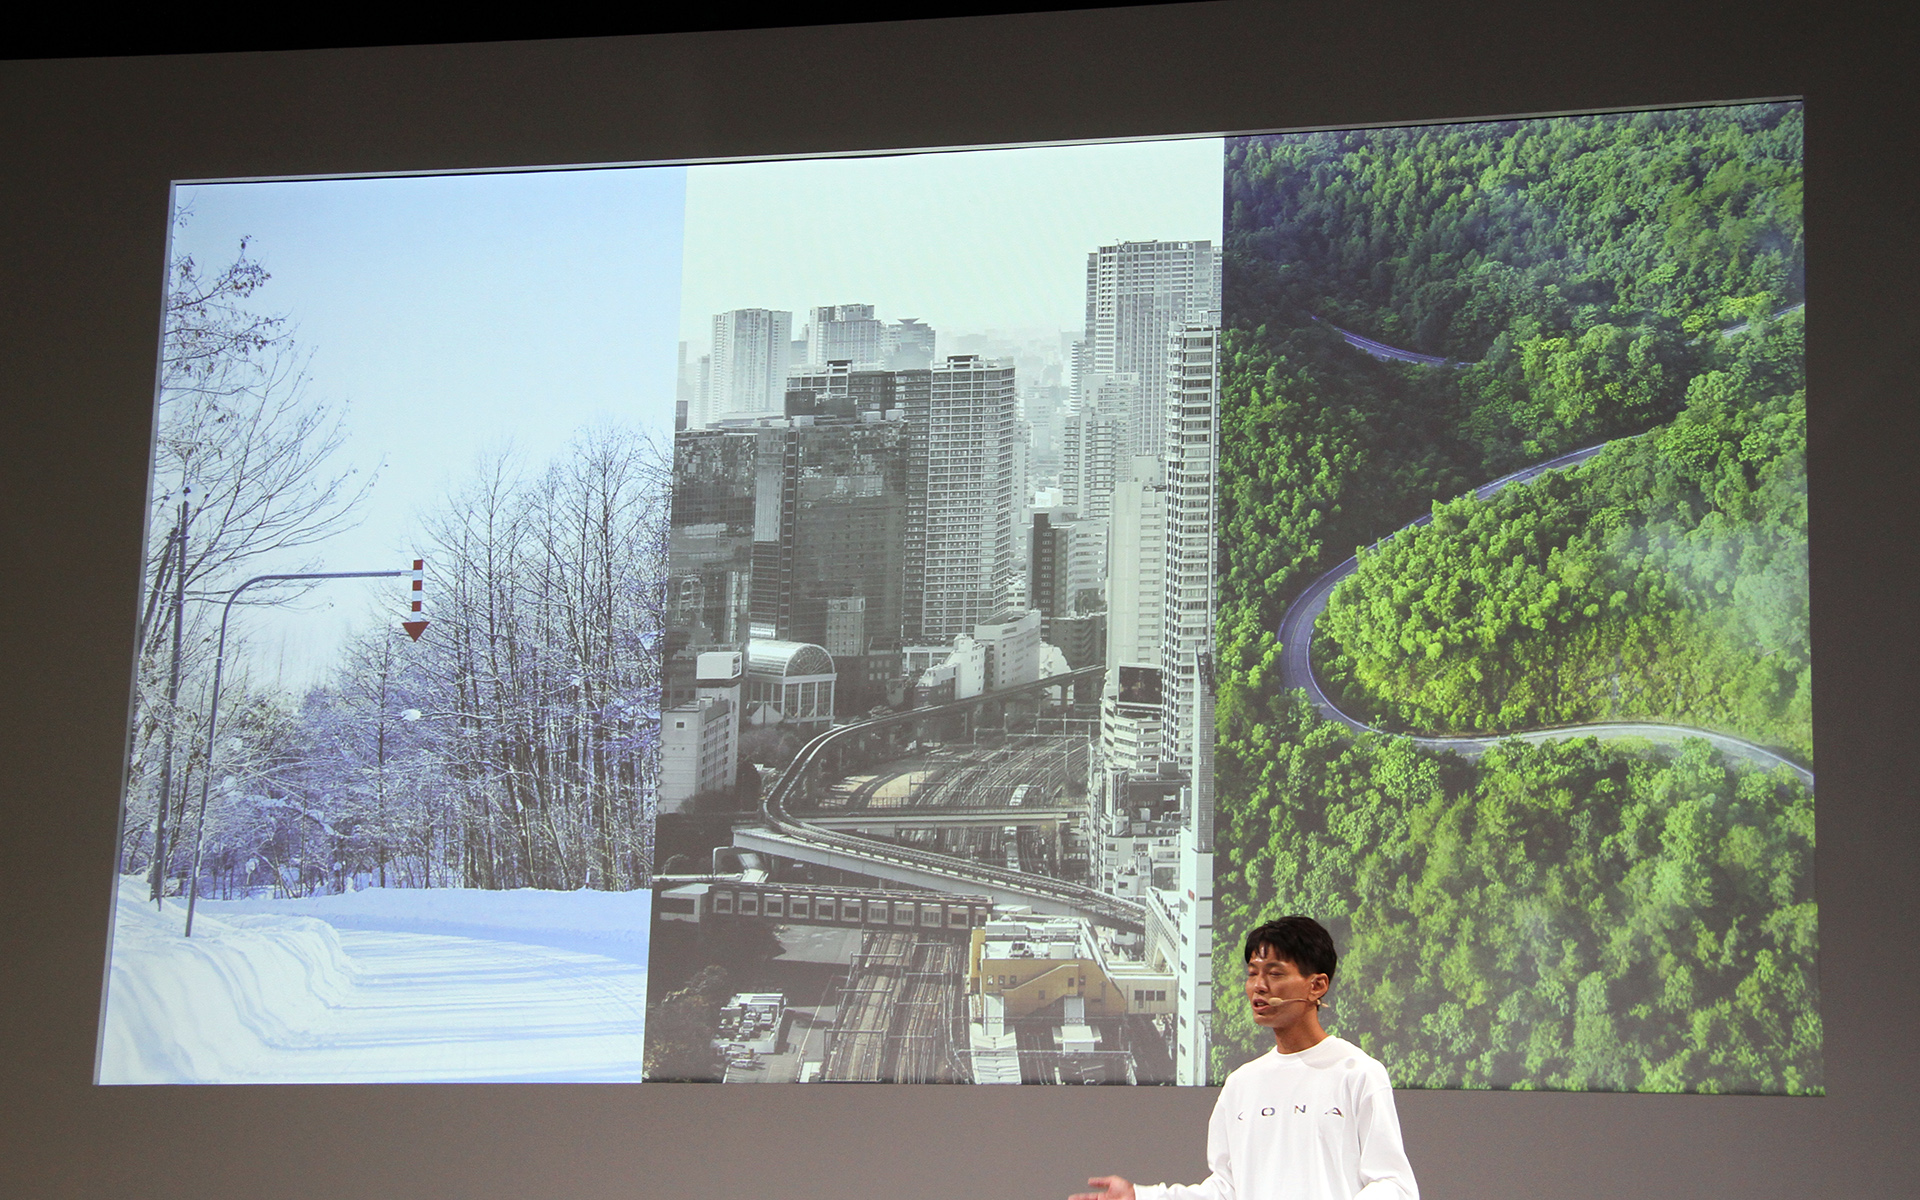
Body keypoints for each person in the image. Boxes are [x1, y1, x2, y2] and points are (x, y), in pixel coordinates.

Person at [1072, 916, 1418, 1200]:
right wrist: (1140, 1197)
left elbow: (1395, 1186)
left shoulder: (1358, 1073)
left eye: (1275, 973)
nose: (1259, 986)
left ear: (1317, 986)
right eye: (1253, 973)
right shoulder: (1241, 1084)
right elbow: (1225, 1189)